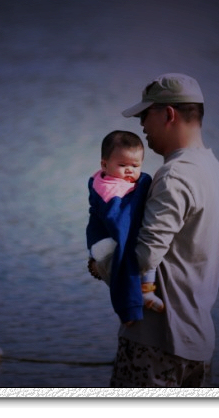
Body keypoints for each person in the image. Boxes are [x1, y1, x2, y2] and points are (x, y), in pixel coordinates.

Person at [90, 73, 219, 387]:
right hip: (197, 342)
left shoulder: (174, 175)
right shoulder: (212, 168)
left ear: (168, 114)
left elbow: (142, 259)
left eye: (144, 115)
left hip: (156, 340)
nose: (141, 126)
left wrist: (100, 263)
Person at [86, 131, 165, 325]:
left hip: (104, 245)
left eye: (135, 165)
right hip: (105, 242)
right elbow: (119, 222)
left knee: (146, 249)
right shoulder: (109, 190)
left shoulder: (123, 181)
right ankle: (128, 308)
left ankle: (147, 291)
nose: (129, 170)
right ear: (104, 165)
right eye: (122, 165)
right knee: (128, 253)